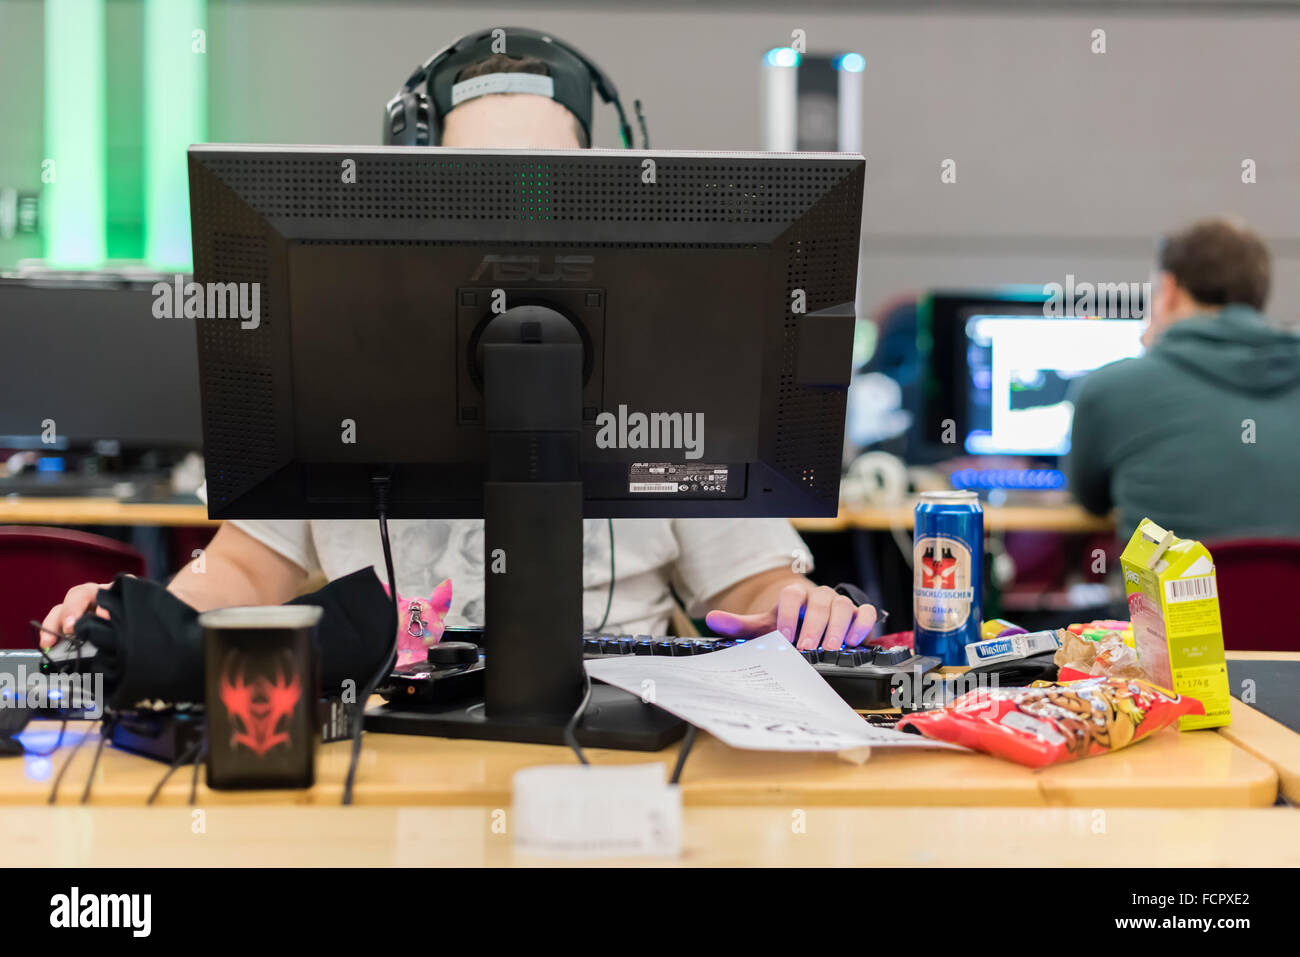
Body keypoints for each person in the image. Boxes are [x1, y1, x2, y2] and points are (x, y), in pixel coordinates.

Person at [42, 47, 878, 653]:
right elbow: (243, 573)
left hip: (623, 742)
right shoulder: (334, 358)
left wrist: (799, 608)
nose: (515, 211)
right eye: (475, 180)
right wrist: (141, 618)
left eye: (547, 179)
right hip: (392, 732)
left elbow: (750, 590)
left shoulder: (682, 365)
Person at [1067, 217, 1300, 542]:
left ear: (1170, 289)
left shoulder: (1111, 389)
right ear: (1259, 296)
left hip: (1165, 595)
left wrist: (1151, 357)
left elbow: (1091, 501)